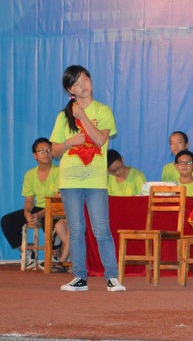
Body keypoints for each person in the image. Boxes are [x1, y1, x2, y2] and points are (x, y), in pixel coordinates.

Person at [50, 65, 125, 292]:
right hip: (70, 180)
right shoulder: (63, 116)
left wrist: (82, 117)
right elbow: (54, 151)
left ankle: (112, 277)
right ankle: (79, 277)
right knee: (76, 229)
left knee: (101, 229)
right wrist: (69, 143)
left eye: (84, 79)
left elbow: (100, 140)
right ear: (69, 90)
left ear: (90, 80)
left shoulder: (103, 110)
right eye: (76, 83)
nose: (82, 85)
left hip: (95, 181)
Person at [1, 138, 69, 272]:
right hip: (39, 208)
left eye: (49, 150)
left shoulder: (59, 172)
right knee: (7, 221)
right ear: (35, 155)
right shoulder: (30, 175)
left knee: (49, 222)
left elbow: (56, 200)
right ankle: (28, 253)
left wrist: (40, 215)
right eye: (41, 151)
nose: (46, 153)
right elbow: (29, 201)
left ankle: (56, 258)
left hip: (55, 208)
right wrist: (27, 213)